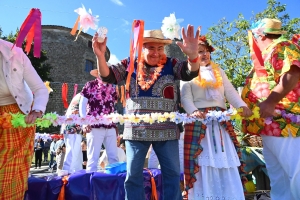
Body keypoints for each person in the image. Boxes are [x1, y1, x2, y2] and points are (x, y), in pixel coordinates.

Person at [93, 24, 201, 200]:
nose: (156, 52)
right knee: (133, 176)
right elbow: (108, 76)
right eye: (151, 48)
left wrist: (192, 55)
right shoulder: (130, 64)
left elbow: (189, 72)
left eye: (160, 48)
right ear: (142, 48)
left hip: (167, 130)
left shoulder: (172, 64)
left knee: (173, 175)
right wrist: (100, 56)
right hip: (136, 130)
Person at [181, 34, 253, 199]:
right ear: (191, 54)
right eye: (199, 52)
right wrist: (193, 111)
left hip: (221, 124)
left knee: (225, 159)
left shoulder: (218, 70)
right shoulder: (187, 72)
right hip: (199, 122)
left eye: (205, 51)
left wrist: (242, 106)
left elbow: (230, 92)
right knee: (202, 161)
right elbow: (185, 98)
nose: (204, 55)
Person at [241, 18, 300, 200]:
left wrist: (271, 101)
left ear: (259, 35)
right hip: (268, 127)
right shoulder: (267, 53)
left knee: (295, 173)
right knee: (278, 178)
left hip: (285, 124)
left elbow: (293, 72)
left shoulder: (282, 46)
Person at [0, 39, 49, 199]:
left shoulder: (15, 53)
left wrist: (37, 111)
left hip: (16, 119)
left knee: (7, 178)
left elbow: (40, 89)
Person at [79, 69, 119, 172]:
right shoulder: (90, 85)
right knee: (93, 158)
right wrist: (84, 122)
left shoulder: (113, 89)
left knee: (114, 157)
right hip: (94, 126)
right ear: (98, 74)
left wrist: (115, 124)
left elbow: (113, 107)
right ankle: (90, 185)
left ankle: (114, 183)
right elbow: (82, 104)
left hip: (110, 126)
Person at [61, 93, 83, 173]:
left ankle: (76, 174)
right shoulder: (84, 95)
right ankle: (67, 174)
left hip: (74, 128)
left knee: (76, 154)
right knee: (72, 153)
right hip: (72, 128)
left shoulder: (81, 95)